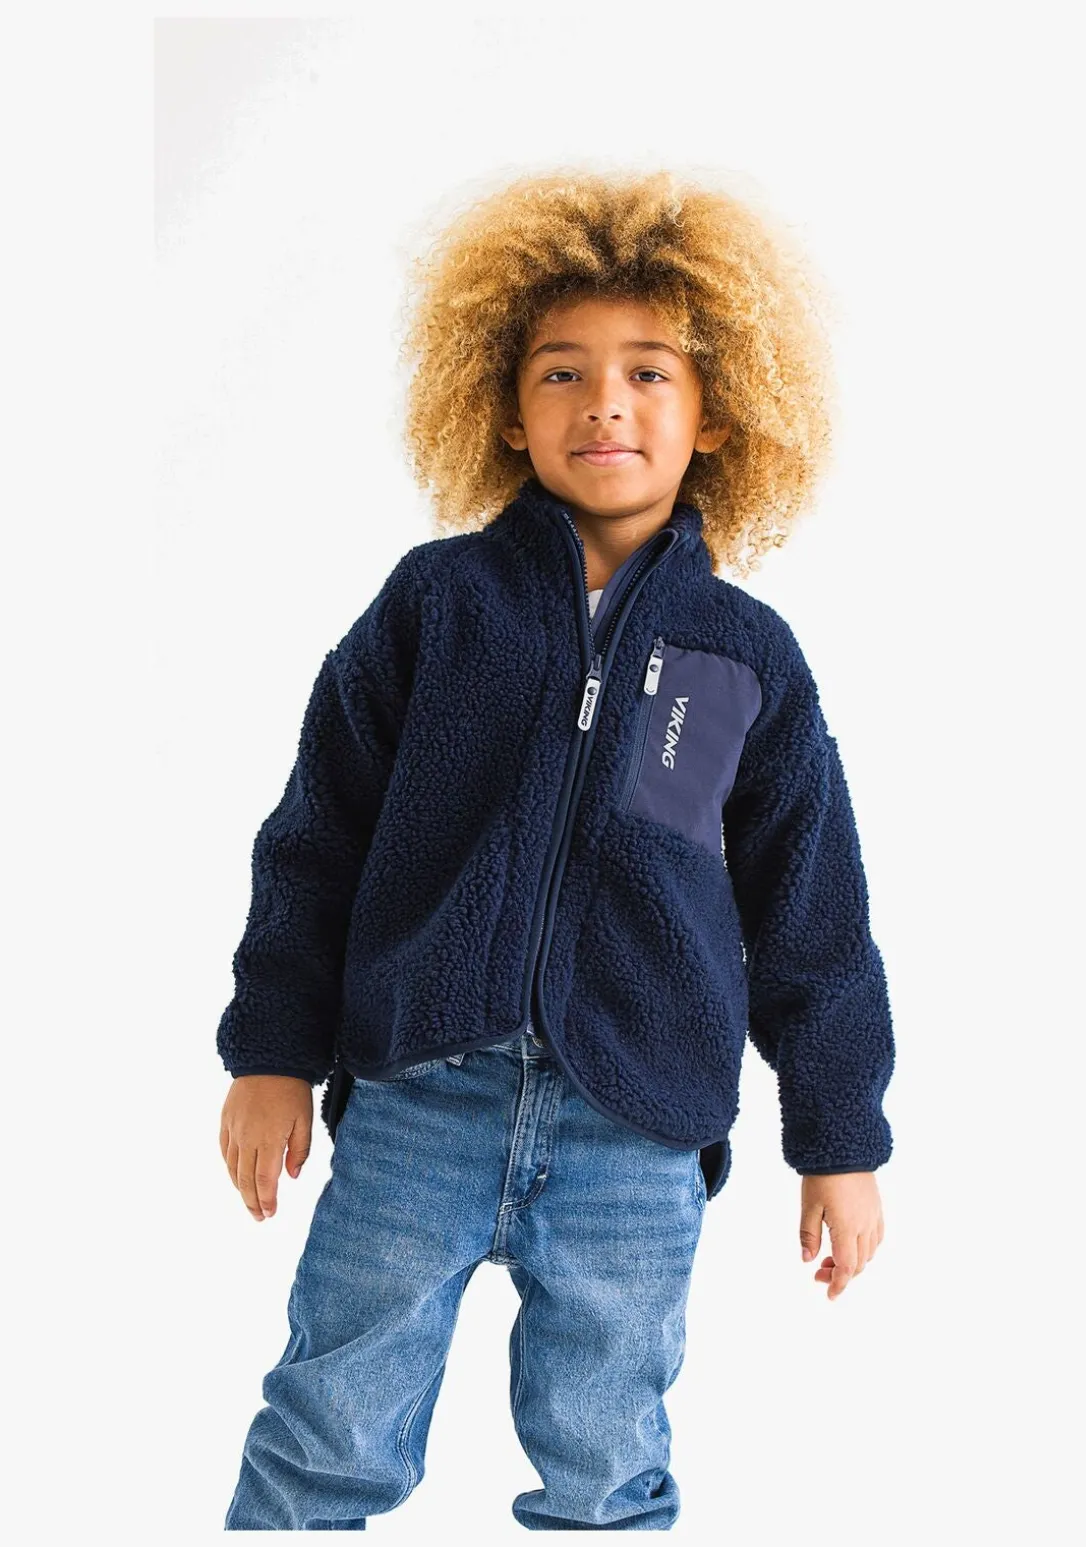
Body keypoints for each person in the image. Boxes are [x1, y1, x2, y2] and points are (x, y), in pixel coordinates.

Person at [218, 166, 895, 1530]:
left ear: (715, 414)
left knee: (607, 1458)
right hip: (421, 1095)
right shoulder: (437, 606)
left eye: (649, 373)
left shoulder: (739, 657)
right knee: (326, 1426)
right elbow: (316, 837)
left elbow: (810, 913)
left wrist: (839, 1137)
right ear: (504, 408)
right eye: (561, 373)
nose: (605, 403)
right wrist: (272, 1051)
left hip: (637, 1126)